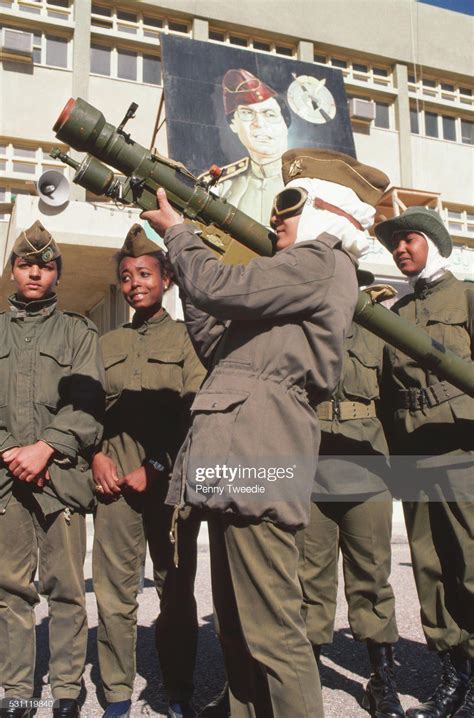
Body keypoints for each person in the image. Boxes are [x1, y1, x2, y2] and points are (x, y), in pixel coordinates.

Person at [141, 148, 389, 718]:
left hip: (261, 451)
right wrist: (183, 263)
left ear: (327, 211)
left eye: (288, 204)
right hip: (240, 448)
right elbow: (218, 350)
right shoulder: (295, 283)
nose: (275, 217)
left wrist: (182, 234)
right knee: (233, 622)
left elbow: (222, 284)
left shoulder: (321, 261)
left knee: (274, 632)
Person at [91, 224, 205, 718]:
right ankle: (116, 694)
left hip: (170, 483)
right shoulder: (105, 343)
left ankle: (177, 691)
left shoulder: (188, 339)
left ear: (166, 280)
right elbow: (87, 409)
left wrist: (156, 465)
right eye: (126, 276)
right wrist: (96, 454)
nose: (135, 282)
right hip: (114, 485)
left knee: (175, 592)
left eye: (144, 273)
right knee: (114, 595)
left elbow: (195, 411)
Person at [0, 221, 103, 718]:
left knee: (65, 592)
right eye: (25, 264)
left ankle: (66, 690)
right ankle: (18, 689)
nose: (34, 272)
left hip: (59, 480)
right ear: (13, 271)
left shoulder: (79, 332)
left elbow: (87, 404)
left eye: (44, 265)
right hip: (5, 485)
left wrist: (44, 449)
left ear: (57, 274)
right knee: (10, 591)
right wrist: (11, 453)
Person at [375, 207, 474, 718]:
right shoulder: (394, 312)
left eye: (408, 239)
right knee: (430, 568)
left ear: (433, 241)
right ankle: (452, 674)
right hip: (412, 454)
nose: (399, 249)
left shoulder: (468, 296)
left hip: (462, 451)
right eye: (394, 244)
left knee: (471, 565)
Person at [295, 299, 404, 718]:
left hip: (368, 466)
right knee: (309, 578)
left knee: (373, 576)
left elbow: (396, 396)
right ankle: (306, 677)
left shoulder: (379, 328)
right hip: (313, 467)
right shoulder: (302, 325)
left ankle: (382, 680)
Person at [199, 69, 290, 224]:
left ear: (285, 123)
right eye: (247, 113)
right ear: (233, 124)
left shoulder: (309, 184)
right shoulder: (219, 187)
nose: (259, 124)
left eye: (270, 114)